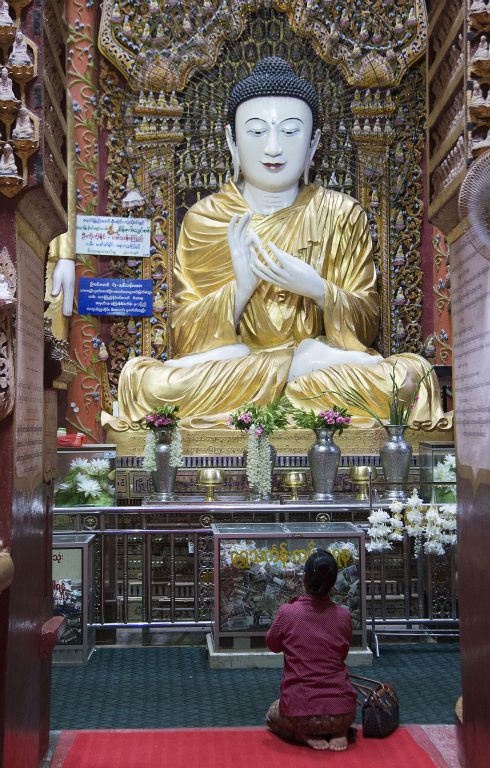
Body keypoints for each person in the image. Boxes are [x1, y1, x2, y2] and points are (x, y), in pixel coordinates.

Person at [105, 57, 449, 432]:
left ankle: (297, 372)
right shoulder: (206, 218)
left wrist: (317, 290)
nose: (273, 148)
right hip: (246, 369)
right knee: (148, 384)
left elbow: (365, 327)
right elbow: (185, 337)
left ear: (313, 141)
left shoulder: (340, 212)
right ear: (231, 140)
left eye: (290, 131)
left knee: (410, 378)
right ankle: (298, 368)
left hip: (323, 367)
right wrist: (242, 289)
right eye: (255, 132)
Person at [265, 549, 357, 751]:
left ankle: (302, 734)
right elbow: (342, 653)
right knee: (337, 704)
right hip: (343, 713)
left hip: (300, 714)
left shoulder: (289, 612)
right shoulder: (343, 615)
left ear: (305, 578)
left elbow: (272, 645)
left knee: (272, 712)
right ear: (333, 582)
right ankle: (340, 731)